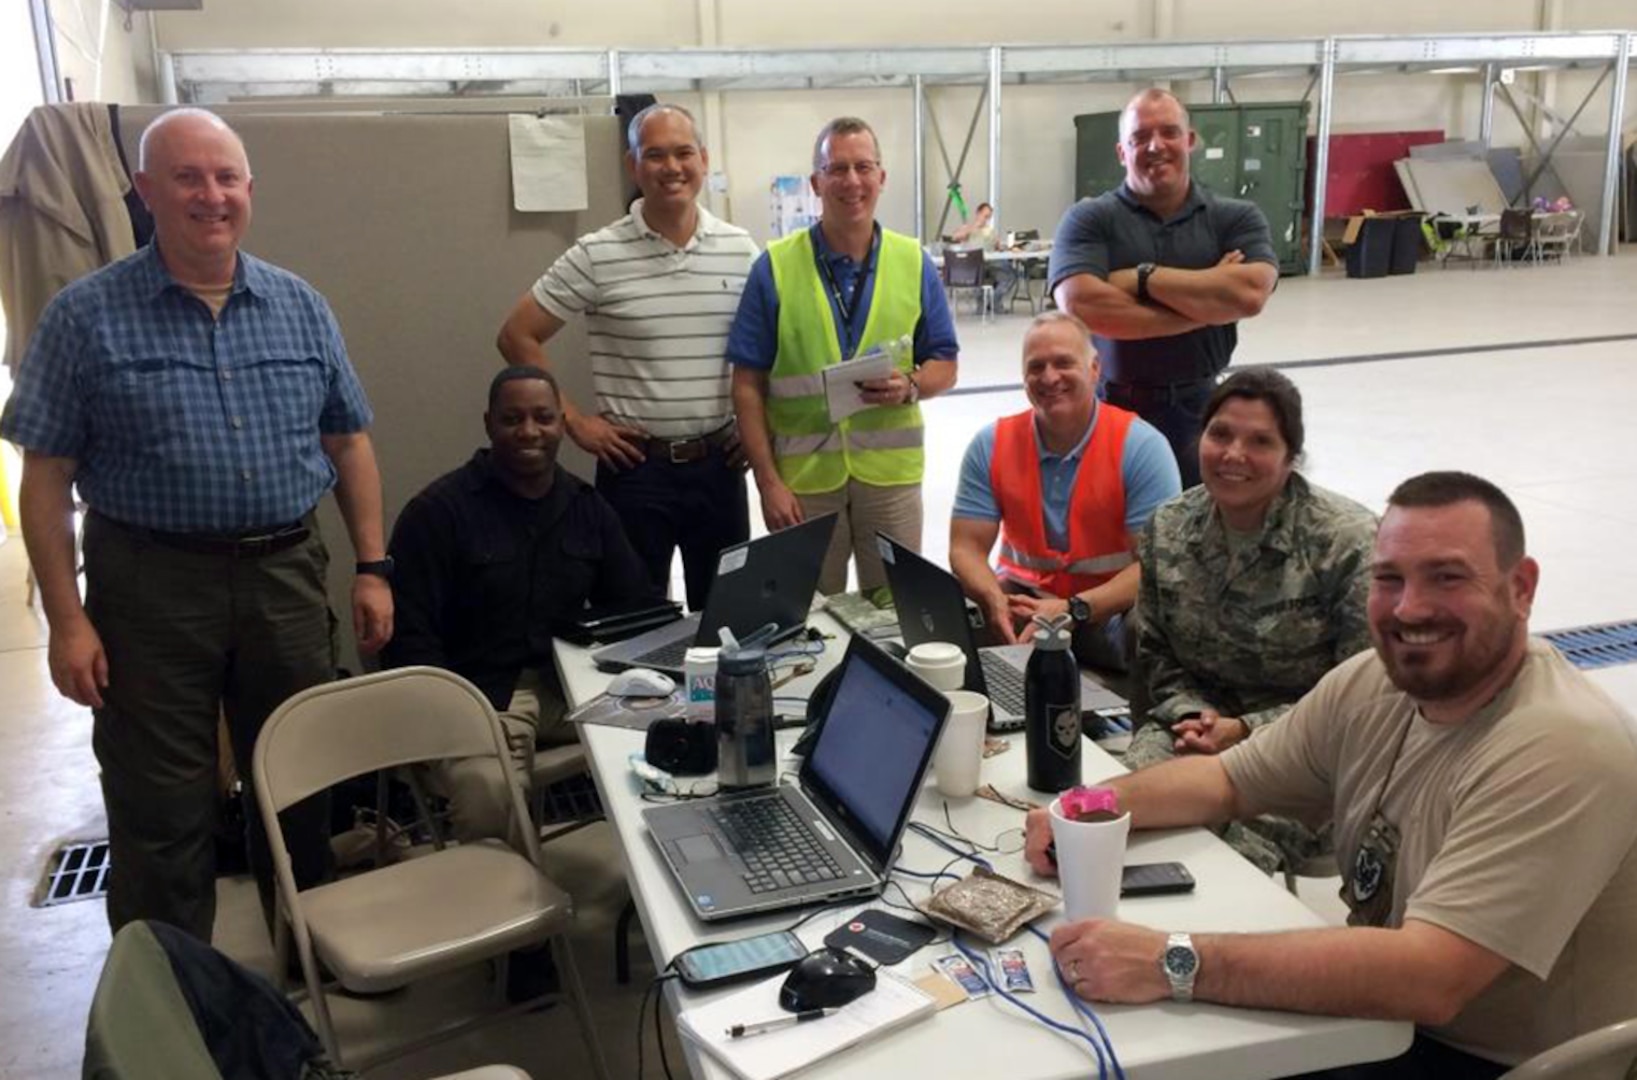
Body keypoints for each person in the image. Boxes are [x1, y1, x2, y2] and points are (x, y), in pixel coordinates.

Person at [1024, 472, 1637, 1077]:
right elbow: (1227, 782)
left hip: (1483, 1057)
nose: (1411, 607)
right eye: (1389, 579)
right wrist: (1082, 809)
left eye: (1447, 577)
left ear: (1521, 588)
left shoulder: (1561, 746)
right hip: (1380, 1025)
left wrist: (1170, 960)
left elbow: (1431, 978)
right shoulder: (1375, 684)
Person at [0, 108, 393, 941]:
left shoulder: (300, 306)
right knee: (159, 806)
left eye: (225, 177)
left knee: (299, 780)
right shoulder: (85, 315)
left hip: (284, 574)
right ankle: (173, 1004)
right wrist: (66, 622)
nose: (209, 196)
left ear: (249, 190)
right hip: (149, 586)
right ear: (146, 191)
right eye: (186, 177)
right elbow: (45, 477)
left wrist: (370, 565)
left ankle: (311, 969)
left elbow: (348, 440)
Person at [496, 103, 760, 611]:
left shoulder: (741, 249)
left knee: (729, 620)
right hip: (637, 471)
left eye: (684, 153)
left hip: (720, 468)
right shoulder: (598, 254)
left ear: (704, 160)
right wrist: (575, 422)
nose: (672, 167)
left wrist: (758, 431)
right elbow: (516, 336)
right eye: (655, 155)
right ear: (632, 166)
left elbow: (765, 354)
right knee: (634, 620)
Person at [384, 366, 655, 842]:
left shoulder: (585, 507)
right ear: (489, 424)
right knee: (489, 789)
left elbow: (634, 605)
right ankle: (504, 905)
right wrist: (447, 717)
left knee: (692, 726)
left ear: (560, 425)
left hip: (565, 688)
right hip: (478, 693)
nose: (529, 431)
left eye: (543, 418)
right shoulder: (438, 512)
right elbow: (409, 638)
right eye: (513, 419)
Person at [1125, 367, 1377, 871]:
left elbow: (1363, 699)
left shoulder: (1348, 544)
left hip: (1305, 760)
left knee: (1219, 860)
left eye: (1260, 441)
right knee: (1114, 826)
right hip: (1188, 730)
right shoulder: (1169, 527)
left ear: (1291, 459)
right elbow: (1154, 651)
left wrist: (1244, 731)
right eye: (1220, 434)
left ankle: (1213, 948)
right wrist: (1195, 718)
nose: (1233, 455)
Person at [729, 116, 959, 596]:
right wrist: (768, 483)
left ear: (881, 177)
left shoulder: (912, 262)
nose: (851, 181)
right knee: (809, 622)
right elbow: (746, 385)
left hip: (890, 479)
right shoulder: (773, 267)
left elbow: (946, 364)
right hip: (805, 485)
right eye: (837, 169)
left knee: (895, 614)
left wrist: (912, 386)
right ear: (816, 182)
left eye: (863, 167)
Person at [1049, 89, 1278, 488]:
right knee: (1113, 535)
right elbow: (1082, 304)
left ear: (1190, 140)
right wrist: (1207, 304)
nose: (1156, 146)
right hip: (1112, 409)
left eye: (1169, 132)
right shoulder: (1090, 219)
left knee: (1198, 532)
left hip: (1201, 411)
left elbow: (1250, 294)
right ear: (1122, 152)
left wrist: (1141, 278)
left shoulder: (1234, 218)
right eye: (1140, 138)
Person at [949, 311, 1179, 672]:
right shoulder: (991, 444)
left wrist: (1075, 609)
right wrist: (992, 597)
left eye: (1063, 363)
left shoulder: (1141, 446)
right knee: (964, 609)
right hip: (1027, 603)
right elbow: (965, 548)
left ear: (1094, 368)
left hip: (1109, 612)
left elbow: (1153, 568)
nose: (1049, 377)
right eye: (1036, 367)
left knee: (1152, 626)